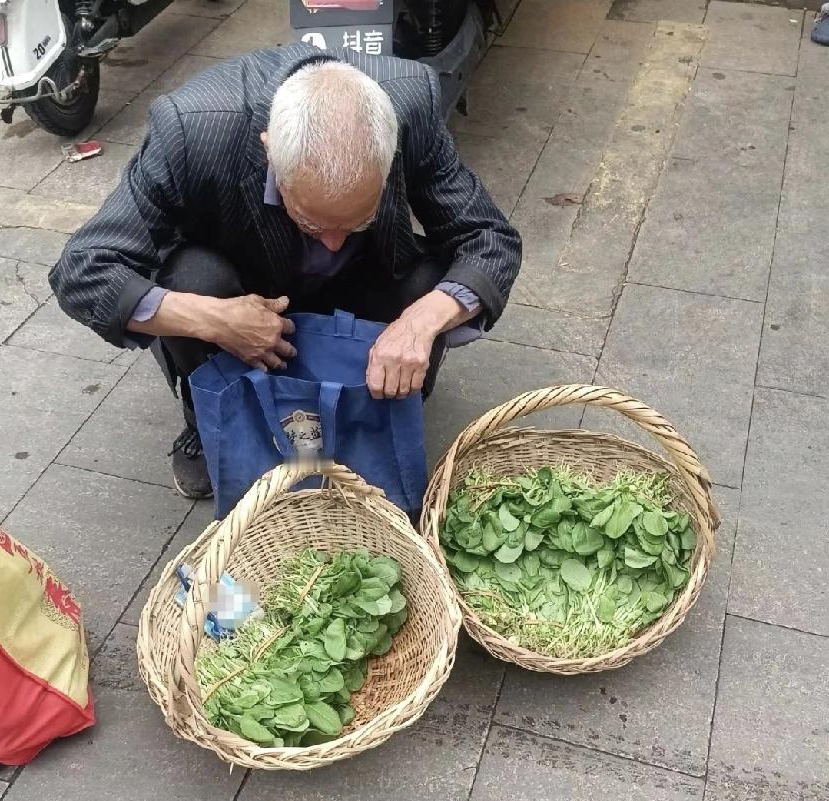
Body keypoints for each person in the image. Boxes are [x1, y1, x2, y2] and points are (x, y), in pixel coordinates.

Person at [50, 46, 522, 499]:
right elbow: (82, 269)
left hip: (363, 280)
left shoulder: (410, 104)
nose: (332, 242)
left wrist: (420, 323)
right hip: (245, 286)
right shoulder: (190, 128)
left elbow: (489, 237)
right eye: (312, 222)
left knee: (431, 285)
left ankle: (382, 408)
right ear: (270, 153)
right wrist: (215, 320)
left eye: (358, 220)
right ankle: (208, 417)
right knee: (193, 278)